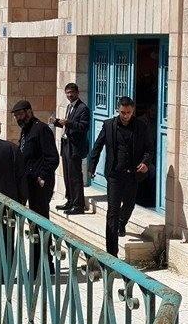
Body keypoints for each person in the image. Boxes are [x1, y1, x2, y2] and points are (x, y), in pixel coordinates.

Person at [88, 96, 154, 257]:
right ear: (118, 110)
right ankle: (112, 253)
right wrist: (91, 167)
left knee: (129, 205)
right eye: (123, 112)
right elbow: (97, 147)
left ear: (133, 111)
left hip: (132, 174)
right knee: (112, 211)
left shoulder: (141, 126)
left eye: (128, 112)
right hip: (114, 175)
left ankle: (121, 223)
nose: (125, 116)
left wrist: (145, 162)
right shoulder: (108, 125)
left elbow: (149, 149)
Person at [11, 100, 59, 220]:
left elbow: (52, 157)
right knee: (32, 215)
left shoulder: (41, 129)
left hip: (39, 181)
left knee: (40, 215)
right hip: (28, 179)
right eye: (16, 116)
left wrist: (42, 176)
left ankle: (41, 233)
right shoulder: (26, 129)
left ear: (29, 112)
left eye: (20, 114)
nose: (18, 118)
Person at [51, 83, 90, 215]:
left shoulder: (83, 108)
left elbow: (84, 127)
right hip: (66, 145)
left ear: (77, 93)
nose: (70, 95)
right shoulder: (69, 106)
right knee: (67, 175)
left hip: (75, 147)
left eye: (72, 92)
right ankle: (70, 200)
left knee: (75, 176)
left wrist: (68, 123)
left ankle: (78, 205)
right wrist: (56, 122)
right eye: (67, 92)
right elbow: (67, 126)